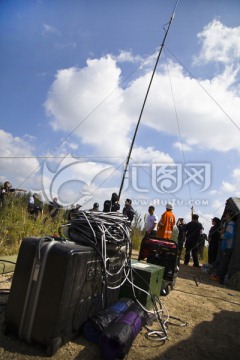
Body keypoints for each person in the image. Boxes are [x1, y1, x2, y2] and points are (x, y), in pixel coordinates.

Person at [209, 210, 237, 283]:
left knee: (224, 263)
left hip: (228, 246)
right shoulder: (232, 224)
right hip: (229, 245)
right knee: (224, 262)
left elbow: (229, 234)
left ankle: (220, 278)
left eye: (227, 215)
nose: (226, 216)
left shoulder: (230, 224)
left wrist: (222, 236)